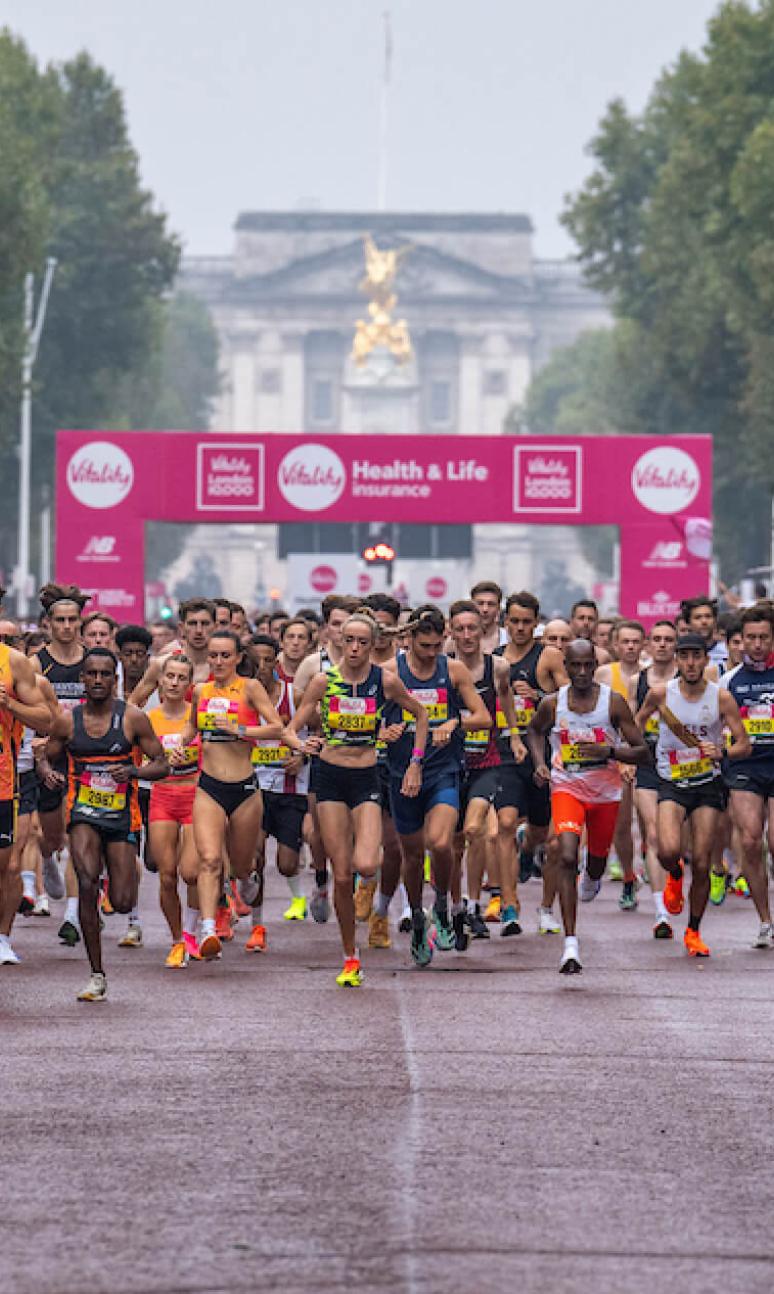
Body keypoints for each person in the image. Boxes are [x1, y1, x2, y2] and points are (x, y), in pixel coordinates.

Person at [288, 610, 429, 986]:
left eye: (362, 642)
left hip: (366, 776)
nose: (354, 648)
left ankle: (376, 892)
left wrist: (415, 763)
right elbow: (293, 725)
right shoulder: (323, 681)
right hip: (330, 777)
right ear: (338, 642)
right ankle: (351, 956)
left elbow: (422, 714)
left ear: (373, 644)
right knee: (342, 873)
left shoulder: (385, 681)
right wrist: (302, 745)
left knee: (368, 864)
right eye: (348, 640)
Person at [39, 648, 169, 1001]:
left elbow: (163, 764)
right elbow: (44, 757)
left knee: (123, 901)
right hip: (82, 813)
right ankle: (97, 974)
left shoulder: (134, 719)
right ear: (83, 678)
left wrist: (135, 771)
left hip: (123, 817)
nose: (98, 680)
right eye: (91, 674)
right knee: (86, 880)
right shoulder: (68, 721)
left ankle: (109, 894)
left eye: (105, 674)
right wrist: (48, 773)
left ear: (116, 679)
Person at [526, 640, 647, 974]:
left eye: (587, 666)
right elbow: (534, 732)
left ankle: (593, 876)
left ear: (595, 666)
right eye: (574, 666)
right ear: (566, 666)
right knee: (565, 855)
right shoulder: (553, 704)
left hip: (605, 795)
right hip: (567, 789)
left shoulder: (613, 703)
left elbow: (642, 751)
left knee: (595, 866)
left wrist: (608, 753)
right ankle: (570, 945)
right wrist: (540, 764)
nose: (581, 673)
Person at [383, 605, 490, 967]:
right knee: (412, 856)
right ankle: (417, 917)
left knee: (441, 842)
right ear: (409, 640)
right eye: (424, 646)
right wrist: (383, 732)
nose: (431, 654)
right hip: (402, 773)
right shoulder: (389, 673)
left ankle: (442, 903)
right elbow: (367, 720)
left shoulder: (452, 669)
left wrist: (455, 723)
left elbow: (484, 718)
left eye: (436, 646)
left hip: (443, 769)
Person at [172, 630, 285, 961]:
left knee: (241, 865)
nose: (218, 662)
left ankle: (245, 879)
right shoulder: (201, 691)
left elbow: (276, 727)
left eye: (225, 656)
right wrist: (180, 745)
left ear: (237, 658)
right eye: (213, 655)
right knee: (208, 860)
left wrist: (241, 730)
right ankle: (208, 928)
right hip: (209, 786)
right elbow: (191, 728)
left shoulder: (250, 687)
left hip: (245, 787)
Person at [637, 634, 749, 957]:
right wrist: (633, 756)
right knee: (668, 849)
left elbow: (744, 743)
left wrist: (724, 749)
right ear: (677, 660)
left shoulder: (721, 698)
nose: (689, 663)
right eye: (683, 656)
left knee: (702, 862)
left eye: (696, 656)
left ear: (705, 660)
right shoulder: (661, 694)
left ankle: (693, 931)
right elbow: (635, 724)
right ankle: (674, 874)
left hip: (708, 784)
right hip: (671, 782)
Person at [447, 600, 525, 943]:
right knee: (451, 843)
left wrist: (515, 735)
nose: (467, 635)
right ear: (451, 632)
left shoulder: (498, 666)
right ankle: (453, 905)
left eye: (472, 629)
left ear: (484, 631)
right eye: (460, 629)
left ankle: (475, 902)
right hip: (449, 763)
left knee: (475, 828)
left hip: (487, 760)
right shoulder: (442, 668)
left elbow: (505, 698)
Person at [493, 591, 568, 935]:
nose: (520, 628)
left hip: (544, 755)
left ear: (536, 624)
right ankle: (510, 905)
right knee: (505, 823)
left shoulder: (548, 656)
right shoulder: (493, 659)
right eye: (514, 622)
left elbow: (572, 698)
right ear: (505, 623)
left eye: (527, 622)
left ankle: (547, 907)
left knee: (548, 838)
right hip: (506, 755)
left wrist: (539, 697)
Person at [294, 594, 360, 922]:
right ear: (325, 629)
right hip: (322, 755)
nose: (342, 632)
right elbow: (300, 711)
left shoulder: (369, 664)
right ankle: (321, 880)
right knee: (319, 830)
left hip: (363, 756)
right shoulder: (313, 665)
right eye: (336, 625)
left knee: (357, 827)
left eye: (348, 625)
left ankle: (353, 881)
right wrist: (324, 719)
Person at [31, 582, 90, 948]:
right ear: (49, 624)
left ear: (80, 623)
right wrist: (38, 759)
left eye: (73, 620)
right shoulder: (36, 664)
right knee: (52, 837)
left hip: (85, 758)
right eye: (60, 620)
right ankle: (47, 857)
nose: (67, 626)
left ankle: (72, 914)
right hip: (46, 758)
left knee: (80, 836)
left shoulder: (96, 661)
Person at [248, 635, 310, 949]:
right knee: (253, 858)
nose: (261, 667)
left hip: (290, 791)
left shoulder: (294, 695)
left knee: (286, 864)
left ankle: (300, 895)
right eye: (255, 660)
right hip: (253, 788)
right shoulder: (241, 697)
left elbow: (322, 731)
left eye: (268, 660)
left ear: (278, 661)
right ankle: (256, 927)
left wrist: (303, 756)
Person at [0, 594, 52, 966]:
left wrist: (9, 705)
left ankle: (2, 938)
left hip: (3, 779)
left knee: (7, 865)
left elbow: (46, 720)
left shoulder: (13, 662)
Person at [722, 605, 774, 947]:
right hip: (745, 768)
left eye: (763, 638)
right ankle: (765, 921)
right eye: (750, 638)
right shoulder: (729, 681)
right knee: (752, 841)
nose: (756, 645)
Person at [146, 654, 202, 967]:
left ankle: (193, 931)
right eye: (170, 676)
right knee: (167, 876)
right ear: (160, 680)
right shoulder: (149, 719)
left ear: (190, 685)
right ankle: (177, 940)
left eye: (182, 678)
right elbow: (138, 759)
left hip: (194, 796)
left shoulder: (198, 716)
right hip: (162, 796)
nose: (175, 683)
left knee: (191, 872)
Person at [596, 620, 647, 909]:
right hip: (617, 755)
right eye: (625, 641)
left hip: (650, 753)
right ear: (615, 645)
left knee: (653, 821)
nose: (630, 647)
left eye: (635, 641)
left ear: (643, 644)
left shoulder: (651, 675)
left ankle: (655, 860)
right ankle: (629, 877)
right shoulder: (604, 674)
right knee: (623, 823)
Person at [633, 620, 679, 937]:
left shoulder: (691, 678)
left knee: (673, 845)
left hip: (682, 765)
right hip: (648, 762)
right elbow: (634, 722)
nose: (662, 644)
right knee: (652, 833)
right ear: (649, 644)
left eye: (668, 639)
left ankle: (675, 871)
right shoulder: (640, 680)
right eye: (657, 639)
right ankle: (661, 912)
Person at [115, 623, 155, 946]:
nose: (133, 660)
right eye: (127, 654)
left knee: (154, 860)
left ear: (147, 657)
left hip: (155, 785)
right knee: (129, 856)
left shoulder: (158, 690)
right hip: (119, 786)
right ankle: (134, 922)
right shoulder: (104, 686)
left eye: (139, 655)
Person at [681, 597, 728, 670]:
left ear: (715, 620)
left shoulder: (727, 652)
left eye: (708, 616)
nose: (704, 621)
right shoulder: (680, 654)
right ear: (688, 623)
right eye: (698, 617)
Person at [470, 581, 507, 652]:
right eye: (480, 603)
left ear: (499, 608)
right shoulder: (458, 639)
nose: (485, 609)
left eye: (491, 604)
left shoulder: (508, 639)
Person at [277, 618, 313, 683]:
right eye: (290, 637)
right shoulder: (271, 674)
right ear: (281, 642)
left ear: (309, 644)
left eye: (301, 637)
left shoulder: (317, 675)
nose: (295, 642)